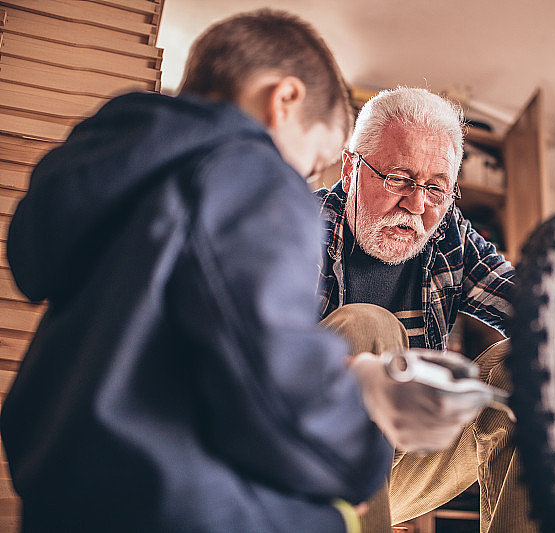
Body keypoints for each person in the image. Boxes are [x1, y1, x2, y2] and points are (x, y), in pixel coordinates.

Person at [0, 10, 398, 533]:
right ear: (284, 99)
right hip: (175, 505)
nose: (301, 181)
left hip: (55, 498)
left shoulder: (117, 164)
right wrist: (359, 459)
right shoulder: (248, 171)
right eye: (309, 163)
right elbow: (267, 370)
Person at [315, 87, 538, 532]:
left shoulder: (449, 235)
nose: (417, 205)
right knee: (367, 324)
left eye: (436, 188)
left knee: (523, 360)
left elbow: (532, 307)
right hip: (299, 462)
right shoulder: (299, 228)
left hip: (404, 467)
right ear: (350, 168)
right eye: (399, 179)